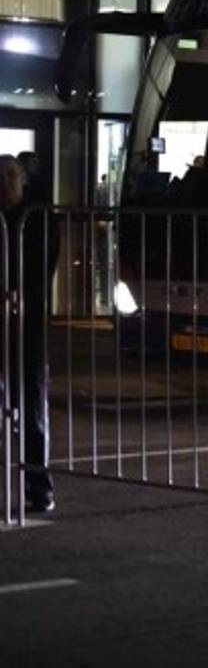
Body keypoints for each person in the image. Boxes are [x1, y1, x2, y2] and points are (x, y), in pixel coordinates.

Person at [0, 155, 60, 512]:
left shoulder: (37, 217)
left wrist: (17, 293)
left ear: (22, 178)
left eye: (11, 176)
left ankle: (38, 486)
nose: (5, 184)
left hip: (27, 326)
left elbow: (42, 266)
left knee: (32, 407)